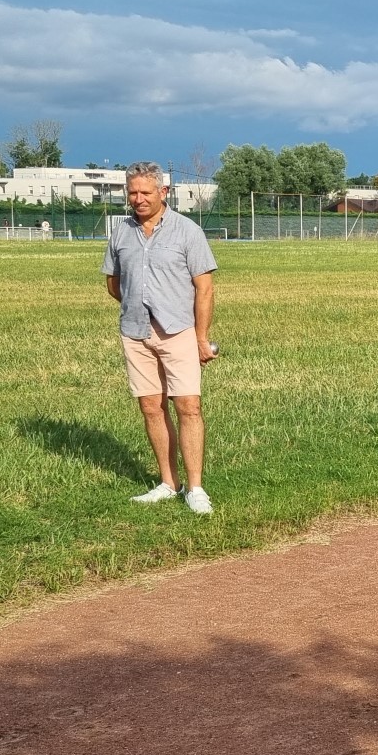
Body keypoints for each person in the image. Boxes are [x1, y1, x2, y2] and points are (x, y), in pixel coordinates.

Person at [103, 162, 221, 514]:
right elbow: (114, 284)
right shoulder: (121, 233)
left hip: (178, 331)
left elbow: (205, 288)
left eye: (145, 193)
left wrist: (201, 338)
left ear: (163, 193)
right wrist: (137, 307)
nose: (138, 199)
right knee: (151, 408)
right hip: (136, 333)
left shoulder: (187, 231)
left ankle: (196, 488)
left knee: (189, 407)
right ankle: (169, 483)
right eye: (133, 193)